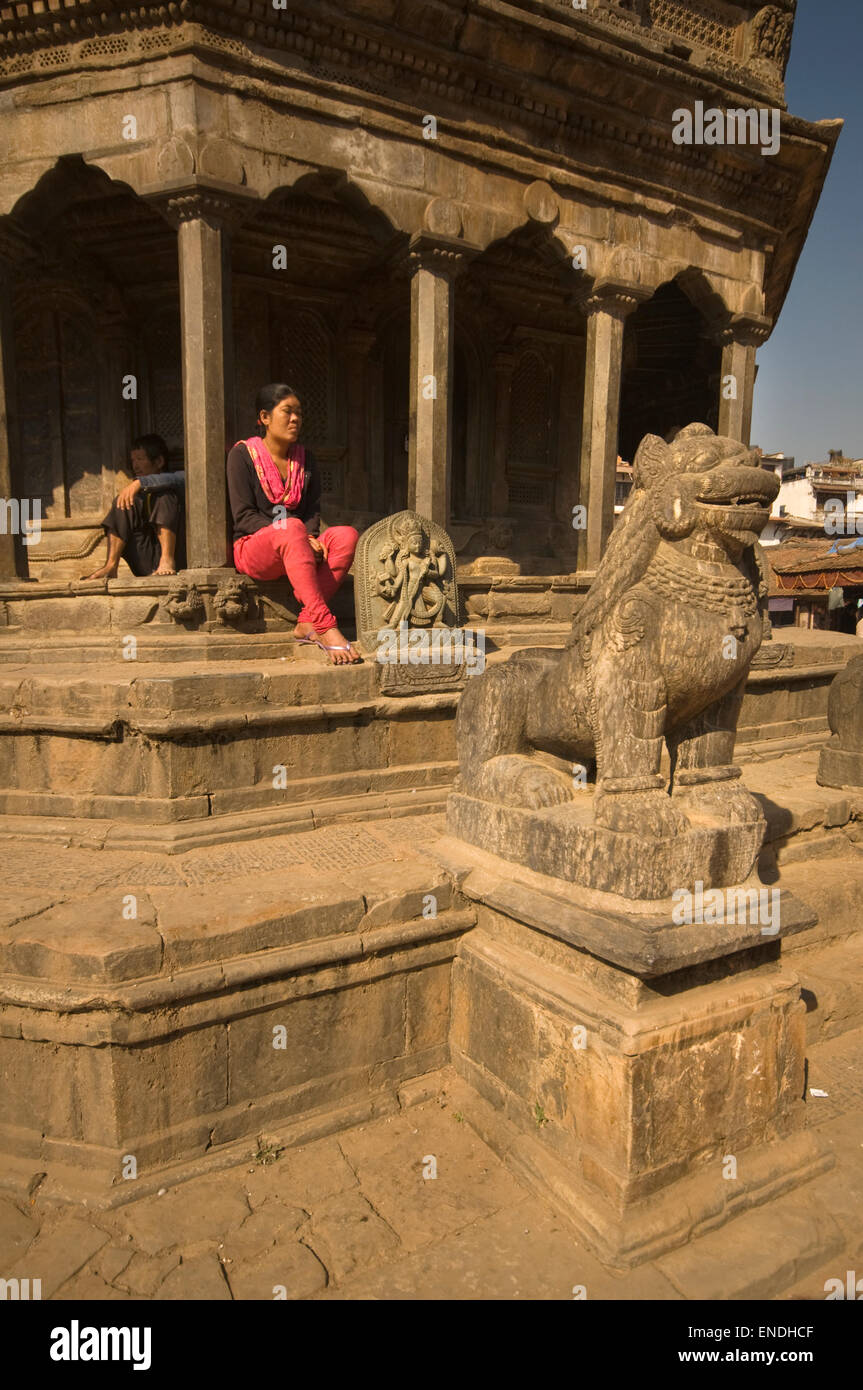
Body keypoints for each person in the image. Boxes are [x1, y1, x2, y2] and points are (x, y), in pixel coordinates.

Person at [227, 384, 361, 664]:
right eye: (287, 412)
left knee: (345, 535)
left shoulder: (305, 459)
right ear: (264, 417)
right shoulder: (241, 456)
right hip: (254, 548)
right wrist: (296, 532)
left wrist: (310, 536)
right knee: (292, 527)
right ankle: (325, 625)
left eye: (299, 413)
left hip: (297, 541)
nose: (295, 419)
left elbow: (312, 510)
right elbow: (243, 516)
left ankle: (306, 621)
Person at [81, 435, 186, 579]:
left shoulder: (180, 479)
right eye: (133, 460)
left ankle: (166, 560)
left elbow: (177, 478)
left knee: (164, 495)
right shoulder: (137, 495)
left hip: (179, 558)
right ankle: (111, 566)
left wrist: (139, 483)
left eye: (140, 459)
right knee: (124, 501)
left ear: (159, 461)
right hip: (147, 561)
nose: (135, 466)